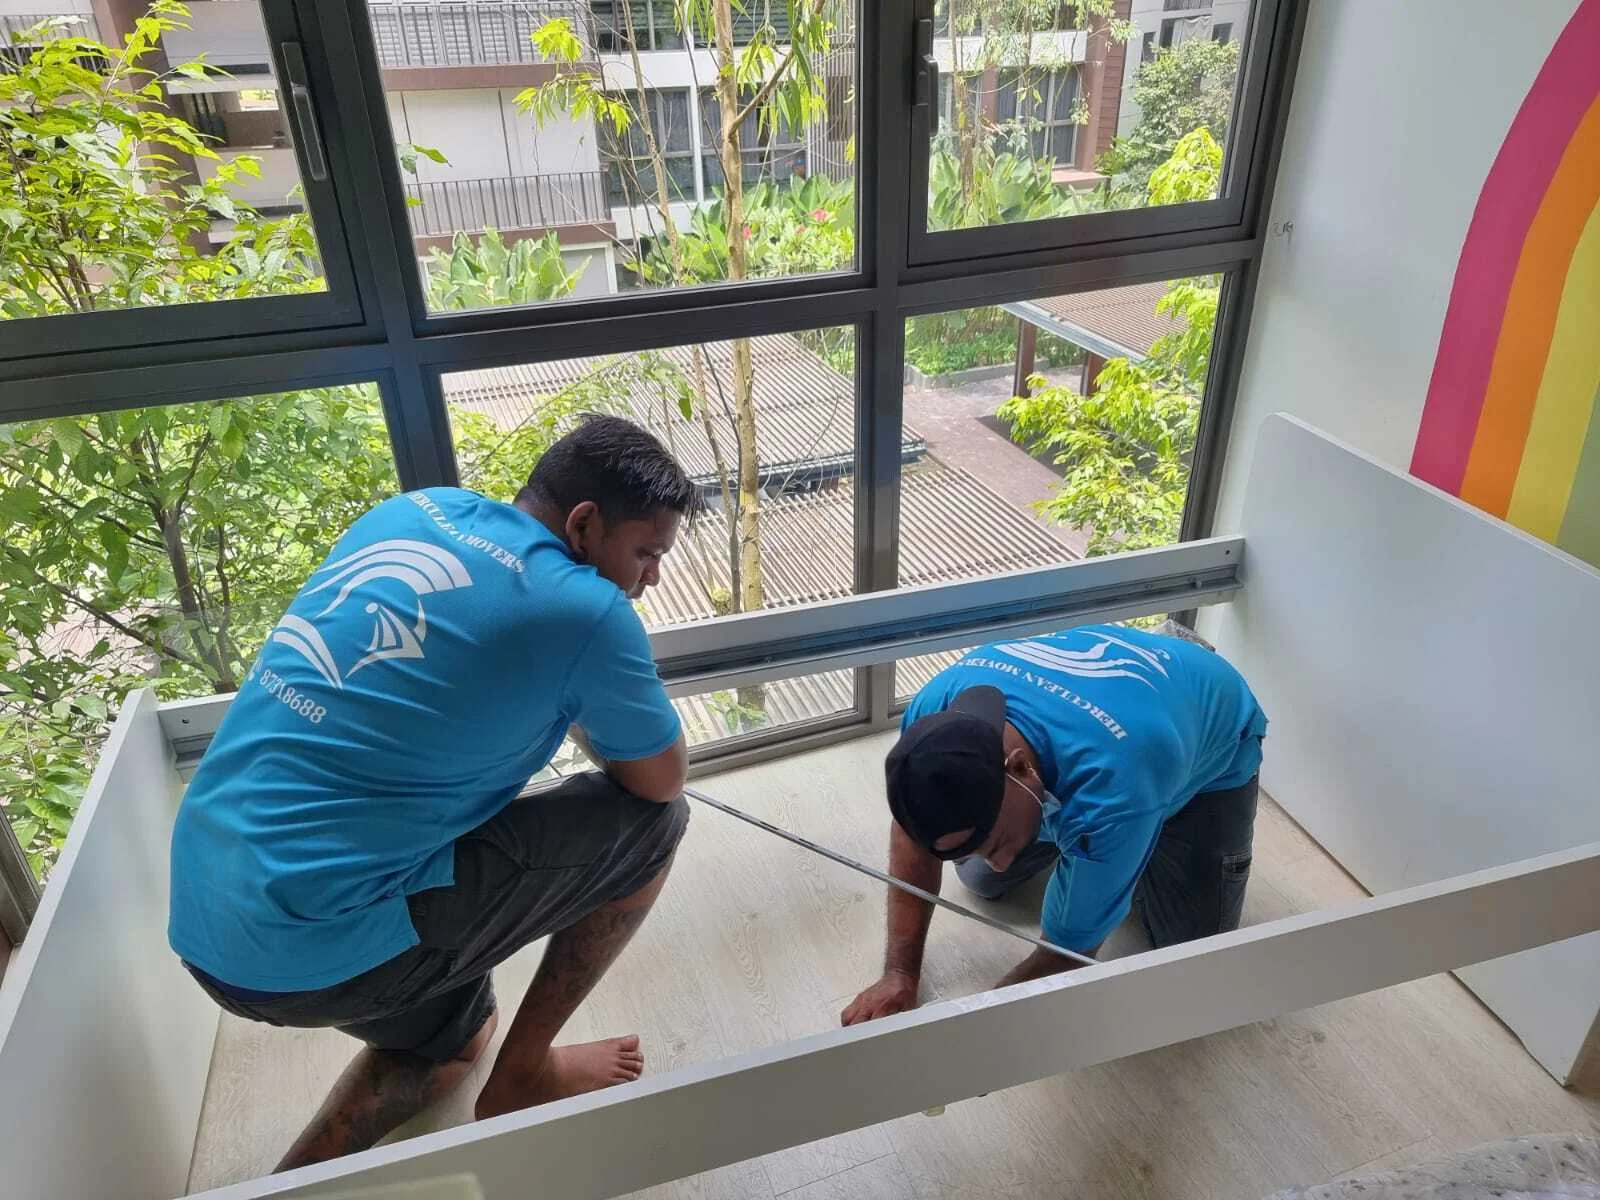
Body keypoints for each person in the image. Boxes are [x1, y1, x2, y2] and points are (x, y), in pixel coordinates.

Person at [169, 415, 697, 1169]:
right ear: (584, 525)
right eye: (646, 553)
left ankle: (290, 1186)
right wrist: (583, 702)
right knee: (656, 827)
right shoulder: (586, 609)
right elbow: (659, 778)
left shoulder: (414, 511)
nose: (651, 578)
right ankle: (524, 1076)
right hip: (314, 944)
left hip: (206, 917)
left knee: (458, 1041)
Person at [842, 624, 1267, 1025]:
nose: (1002, 862)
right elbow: (912, 838)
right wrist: (899, 973)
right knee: (983, 882)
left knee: (1193, 949)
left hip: (1207, 740)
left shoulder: (1114, 790)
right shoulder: (935, 714)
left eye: (999, 842)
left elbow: (1066, 953)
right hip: (1114, 734)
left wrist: (971, 1034)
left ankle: (1181, 659)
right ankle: (1118, 848)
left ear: (1021, 767)